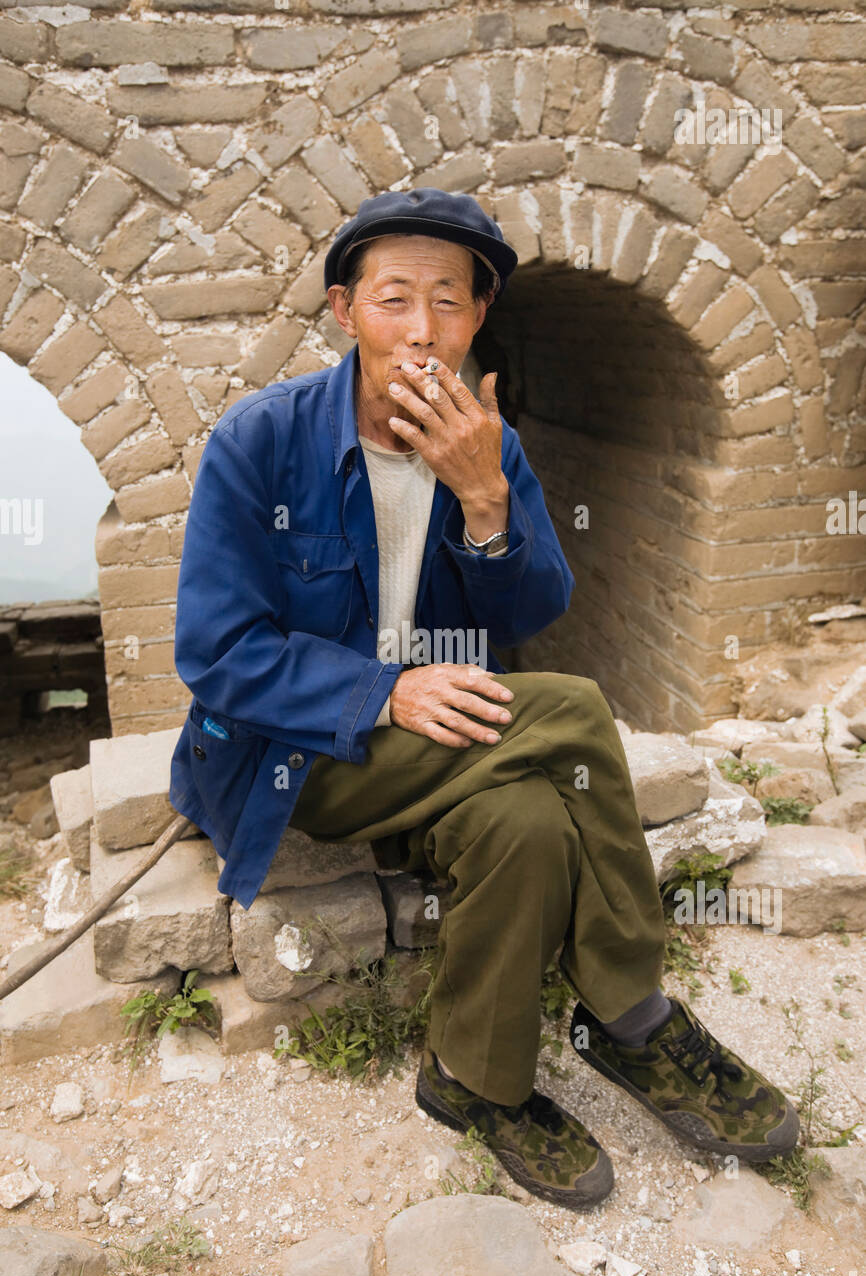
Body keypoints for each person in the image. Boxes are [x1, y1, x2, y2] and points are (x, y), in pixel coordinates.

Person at [170, 188, 799, 1210]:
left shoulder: (484, 440)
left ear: (477, 315)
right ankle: (631, 1016)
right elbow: (217, 651)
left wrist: (484, 499)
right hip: (300, 750)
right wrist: (386, 687)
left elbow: (539, 599)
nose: (422, 330)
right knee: (573, 711)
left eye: (449, 304)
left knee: (526, 824)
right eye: (393, 300)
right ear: (345, 310)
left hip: (444, 742)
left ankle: (473, 1079)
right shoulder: (260, 441)